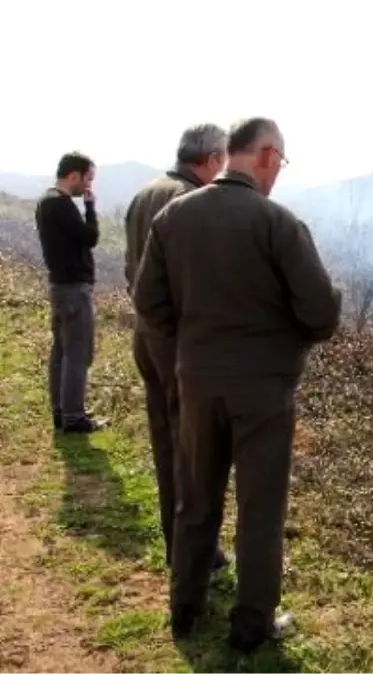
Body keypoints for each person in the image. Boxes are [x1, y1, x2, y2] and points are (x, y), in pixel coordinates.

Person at [132, 117, 342, 653]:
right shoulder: (279, 224)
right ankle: (251, 625)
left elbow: (148, 305)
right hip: (264, 390)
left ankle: (184, 609)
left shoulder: (174, 216)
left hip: (197, 382)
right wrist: (282, 341)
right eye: (281, 162)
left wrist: (194, 347)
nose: (279, 174)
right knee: (260, 508)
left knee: (195, 498)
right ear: (267, 155)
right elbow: (321, 314)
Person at [124, 123, 232, 577]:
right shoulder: (189, 204)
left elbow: (136, 269)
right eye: (222, 160)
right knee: (192, 449)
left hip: (145, 335)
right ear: (209, 160)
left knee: (166, 442)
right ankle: (193, 553)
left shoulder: (145, 191)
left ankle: (179, 544)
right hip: (177, 342)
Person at [35, 152, 107, 434]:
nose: (88, 187)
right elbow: (90, 237)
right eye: (87, 179)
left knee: (61, 352)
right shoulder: (61, 205)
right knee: (78, 352)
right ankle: (74, 417)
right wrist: (90, 207)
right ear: (73, 175)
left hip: (58, 286)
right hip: (74, 288)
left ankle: (61, 411)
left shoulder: (45, 202)